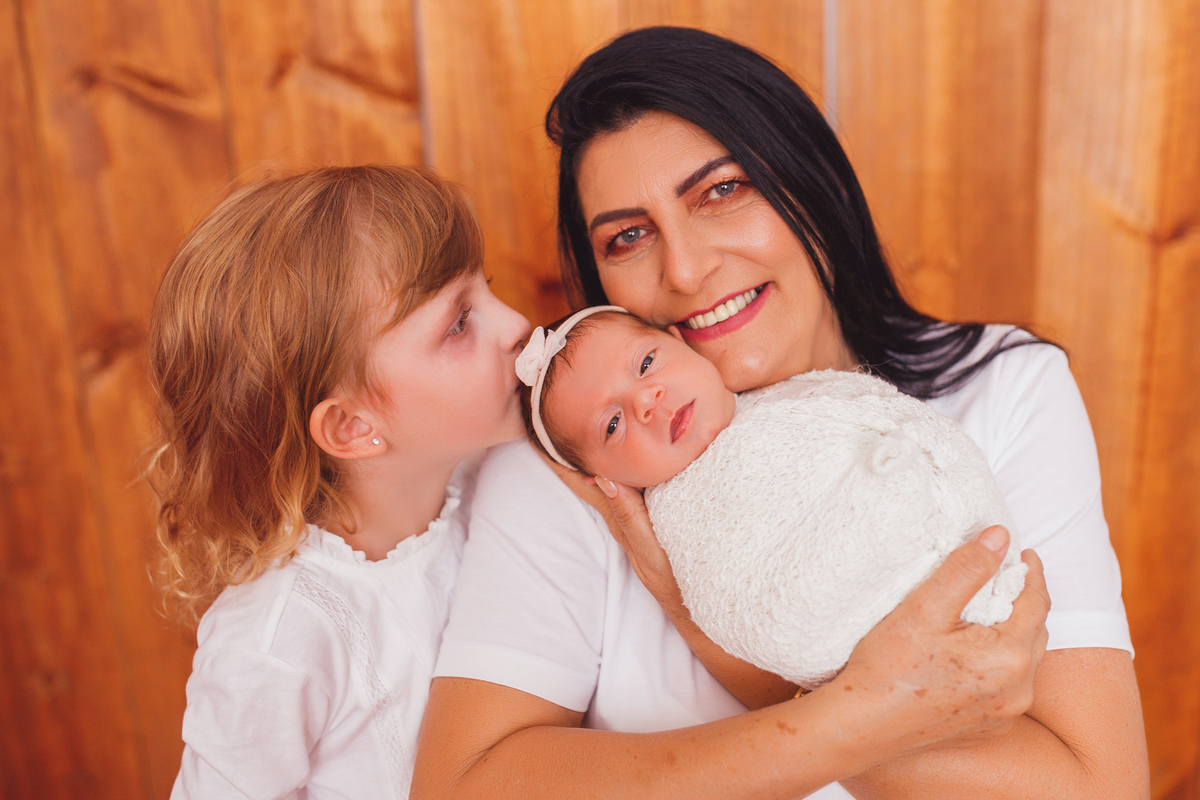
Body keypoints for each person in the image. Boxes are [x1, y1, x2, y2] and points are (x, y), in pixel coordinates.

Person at [414, 26, 1147, 799]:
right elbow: (463, 785)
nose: (686, 269)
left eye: (722, 191)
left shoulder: (1004, 390)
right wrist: (861, 716)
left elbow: (1098, 787)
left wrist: (712, 632)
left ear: (810, 184)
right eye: (628, 236)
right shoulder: (583, 463)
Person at [147, 165, 532, 798]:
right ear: (353, 427)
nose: (515, 323)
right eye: (459, 323)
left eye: (484, 288)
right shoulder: (278, 636)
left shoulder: (497, 485)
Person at [512, 305, 1027, 688]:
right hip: (875, 612)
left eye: (646, 363)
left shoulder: (784, 394)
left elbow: (874, 406)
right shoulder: (686, 520)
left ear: (681, 342)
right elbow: (756, 611)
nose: (647, 400)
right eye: (613, 424)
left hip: (968, 548)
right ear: (603, 479)